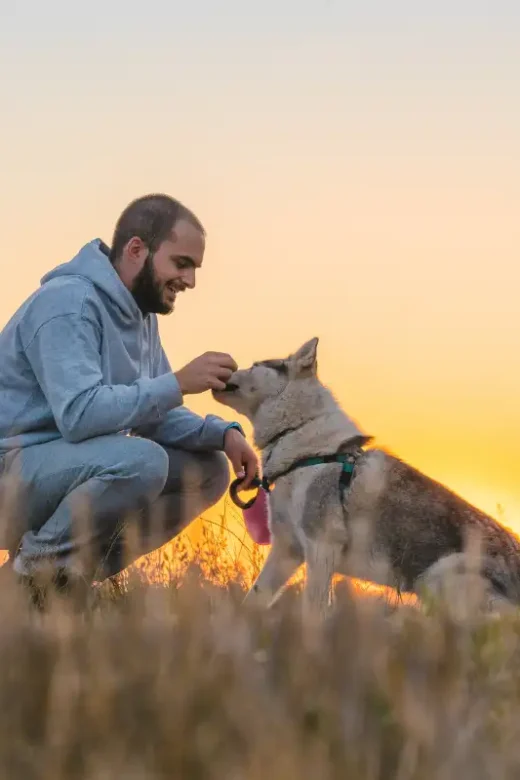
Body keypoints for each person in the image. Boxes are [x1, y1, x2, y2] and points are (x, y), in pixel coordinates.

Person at [0, 193, 257, 604]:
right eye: (181, 263)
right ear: (137, 249)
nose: (190, 281)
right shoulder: (68, 303)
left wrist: (222, 435)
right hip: (9, 473)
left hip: (57, 469)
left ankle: (69, 582)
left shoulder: (141, 316)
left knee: (206, 471)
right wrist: (177, 383)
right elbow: (79, 414)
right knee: (141, 461)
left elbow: (153, 413)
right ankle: (27, 579)